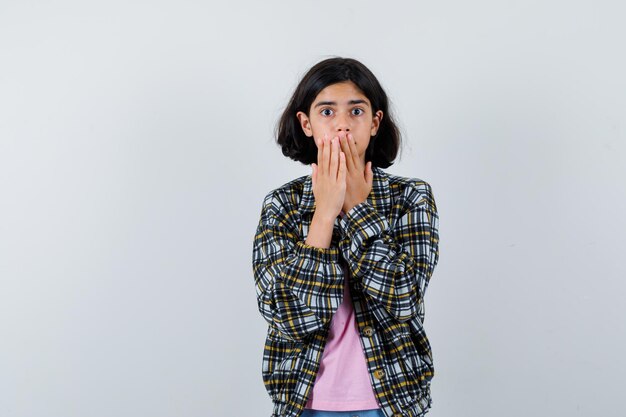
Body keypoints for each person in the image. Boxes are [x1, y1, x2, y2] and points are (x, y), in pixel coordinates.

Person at [251, 57, 440, 417]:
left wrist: (356, 208)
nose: (341, 126)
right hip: (303, 400)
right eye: (326, 112)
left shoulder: (410, 197)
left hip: (391, 399)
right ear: (305, 124)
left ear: (375, 122)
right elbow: (288, 318)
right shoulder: (282, 206)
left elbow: (403, 300)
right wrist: (324, 215)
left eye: (356, 112)